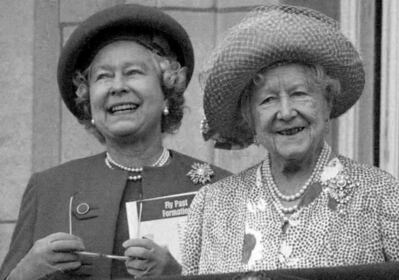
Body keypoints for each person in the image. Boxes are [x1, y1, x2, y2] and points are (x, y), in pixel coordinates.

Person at [0, 4, 230, 280]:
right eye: (103, 76)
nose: (117, 86)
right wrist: (26, 272)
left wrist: (176, 275)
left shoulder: (220, 190)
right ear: (88, 103)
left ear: (167, 93)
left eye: (133, 72)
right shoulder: (47, 189)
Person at [182, 5, 399, 275]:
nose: (286, 112)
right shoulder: (212, 205)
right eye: (268, 100)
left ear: (327, 103)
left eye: (299, 94)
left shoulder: (383, 197)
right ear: (250, 119)